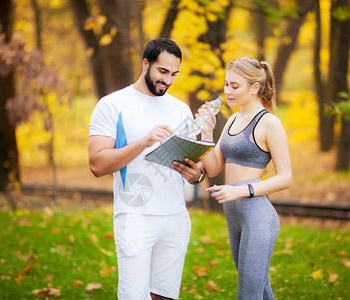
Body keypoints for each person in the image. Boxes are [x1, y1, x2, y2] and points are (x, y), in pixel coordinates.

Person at [88, 38, 205, 300]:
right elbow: (97, 164)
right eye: (163, 71)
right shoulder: (112, 105)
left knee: (164, 295)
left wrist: (197, 175)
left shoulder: (181, 109)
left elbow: (194, 167)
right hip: (135, 216)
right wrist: (144, 142)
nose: (168, 80)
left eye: (174, 74)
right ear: (145, 63)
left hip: (175, 216)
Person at [174, 56, 292, 299]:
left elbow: (286, 178)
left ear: (254, 88)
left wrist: (240, 190)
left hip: (257, 215)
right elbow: (214, 167)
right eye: (226, 84)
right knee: (259, 290)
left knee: (248, 293)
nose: (227, 91)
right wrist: (207, 130)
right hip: (235, 215)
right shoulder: (233, 120)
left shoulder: (270, 123)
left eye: (235, 86)